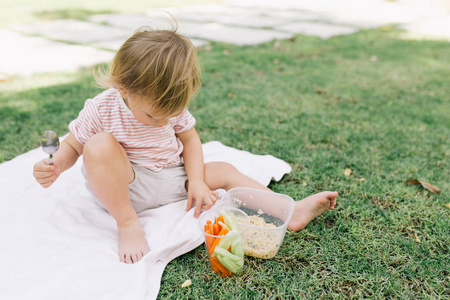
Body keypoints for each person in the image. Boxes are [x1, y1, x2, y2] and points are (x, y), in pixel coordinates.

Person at [33, 26, 338, 264]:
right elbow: (73, 145)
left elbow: (189, 139)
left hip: (170, 176)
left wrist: (196, 180)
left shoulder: (168, 105)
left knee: (225, 169)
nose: (161, 122)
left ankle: (291, 211)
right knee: (97, 145)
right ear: (123, 87)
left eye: (169, 115)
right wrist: (57, 164)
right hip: (125, 186)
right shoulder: (102, 108)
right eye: (154, 115)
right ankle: (128, 224)